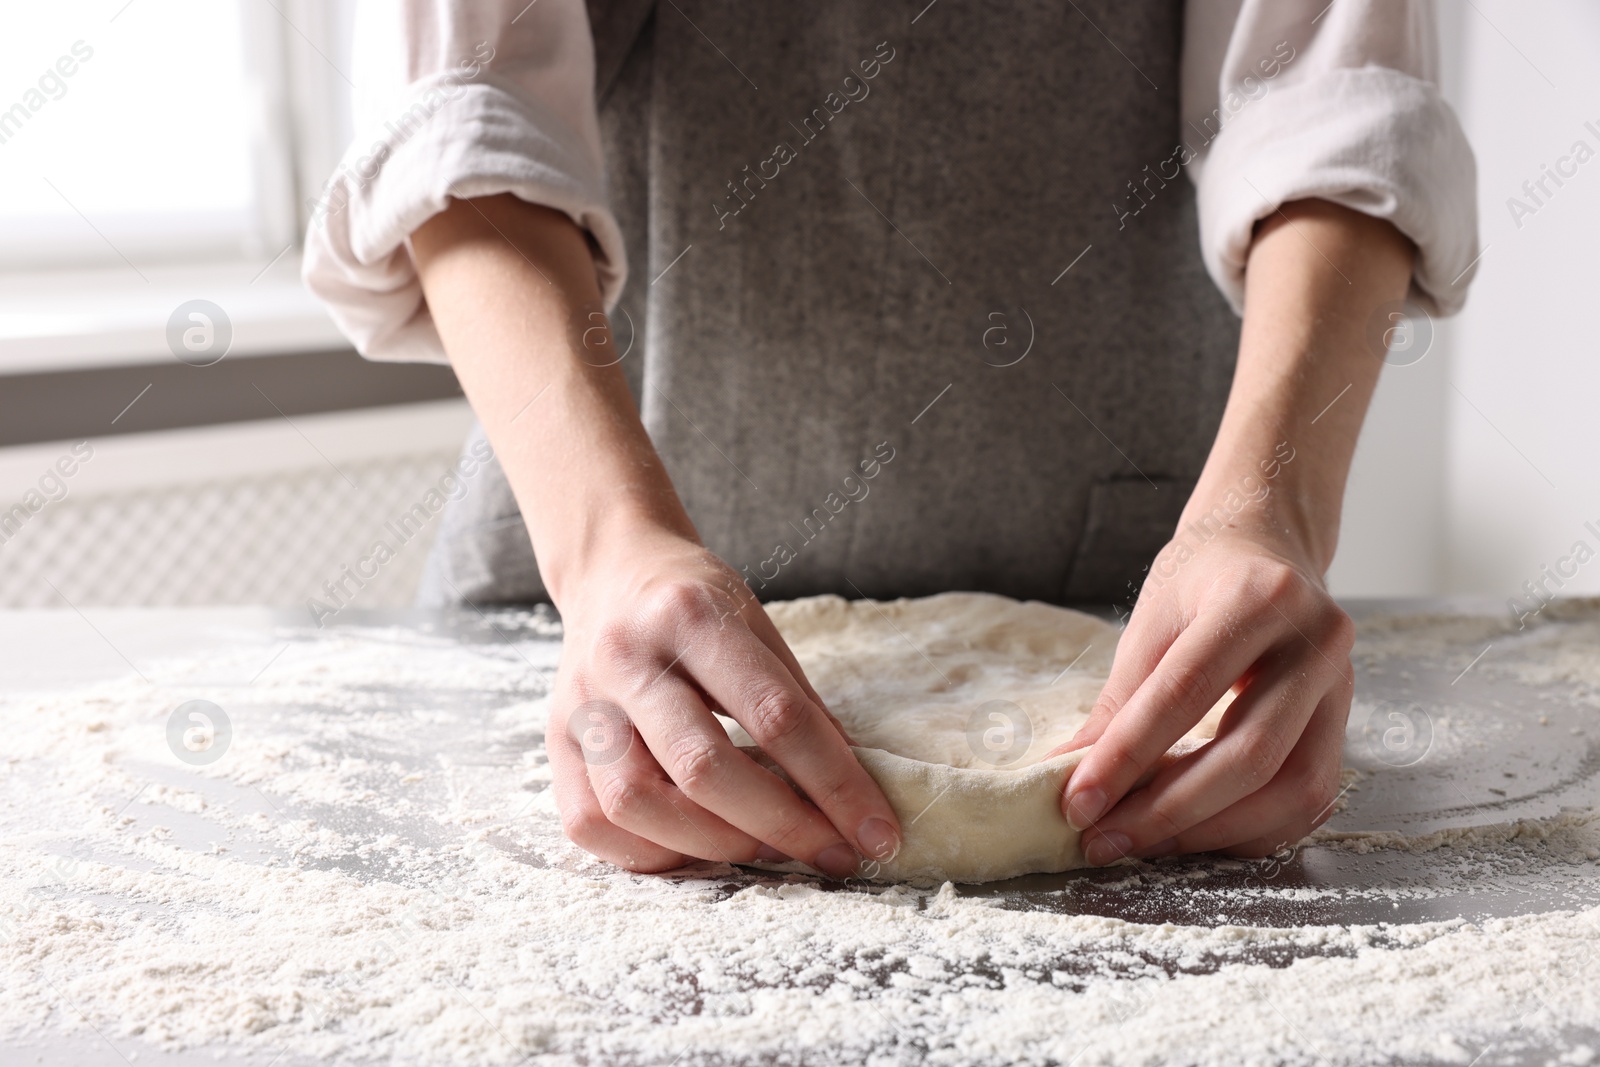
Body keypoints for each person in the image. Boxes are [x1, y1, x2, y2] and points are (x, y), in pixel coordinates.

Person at [305, 0, 1477, 879]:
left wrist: (1268, 509)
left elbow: (1324, 97)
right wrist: (607, 546)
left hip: (1130, 609)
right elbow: (468, 105)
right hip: (593, 594)